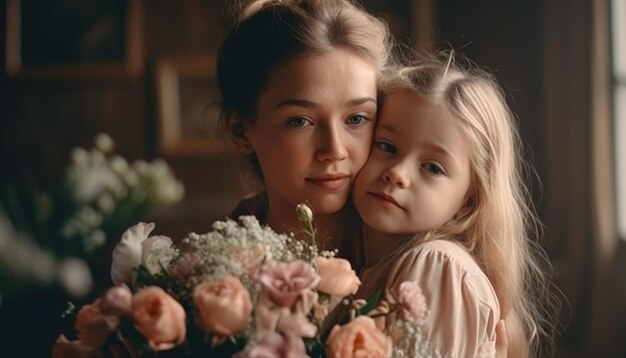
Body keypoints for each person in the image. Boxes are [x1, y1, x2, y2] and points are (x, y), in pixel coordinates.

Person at [350, 53, 557, 357]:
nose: (397, 173)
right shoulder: (372, 264)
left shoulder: (436, 264)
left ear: (468, 200)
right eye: (388, 146)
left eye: (432, 168)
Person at [216, 0, 393, 264]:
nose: (334, 150)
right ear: (240, 131)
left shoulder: (430, 267)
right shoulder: (202, 280)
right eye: (300, 121)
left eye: (356, 118)